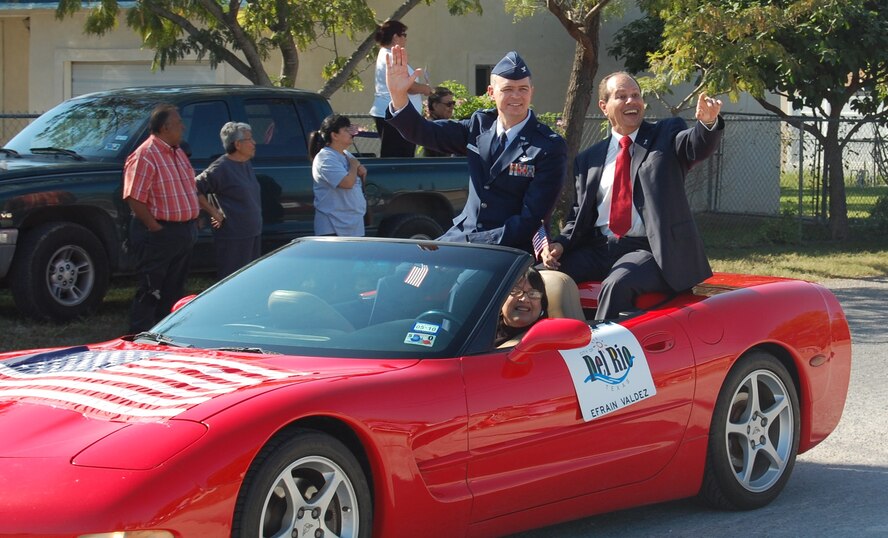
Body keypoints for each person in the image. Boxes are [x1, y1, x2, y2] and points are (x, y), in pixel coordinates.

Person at [542, 71, 724, 320]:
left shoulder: (666, 134)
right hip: (599, 248)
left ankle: (599, 352)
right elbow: (577, 216)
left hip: (650, 250)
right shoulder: (589, 159)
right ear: (604, 106)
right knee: (540, 276)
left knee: (616, 284)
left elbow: (696, 145)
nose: (632, 101)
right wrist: (559, 245)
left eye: (636, 95)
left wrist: (707, 124)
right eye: (622, 96)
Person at [385, 46, 567, 253]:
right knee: (407, 278)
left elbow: (531, 219)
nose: (516, 96)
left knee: (459, 286)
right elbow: (426, 133)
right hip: (462, 237)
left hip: (508, 249)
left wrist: (474, 243)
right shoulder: (479, 126)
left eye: (523, 89)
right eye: (507, 89)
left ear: (531, 92)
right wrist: (398, 95)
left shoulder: (548, 146)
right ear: (491, 93)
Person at [123, 104, 199, 333]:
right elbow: (133, 197)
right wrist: (155, 228)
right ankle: (141, 335)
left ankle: (165, 334)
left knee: (173, 290)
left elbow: (188, 187)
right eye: (178, 123)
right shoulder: (145, 155)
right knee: (151, 290)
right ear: (165, 127)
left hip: (183, 233)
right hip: (160, 233)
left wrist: (193, 216)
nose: (183, 127)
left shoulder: (177, 152)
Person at [195, 122, 263, 280]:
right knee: (234, 280)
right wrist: (214, 212)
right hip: (234, 237)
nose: (254, 143)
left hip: (252, 233)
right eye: (249, 139)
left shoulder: (245, 163)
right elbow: (194, 188)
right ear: (237, 144)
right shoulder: (221, 167)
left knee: (250, 279)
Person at [369, 20, 432, 158]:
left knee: (401, 155)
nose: (406, 38)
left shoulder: (387, 54)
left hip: (397, 114)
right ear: (395, 37)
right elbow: (407, 86)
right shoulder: (391, 56)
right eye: (404, 34)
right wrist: (426, 89)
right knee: (397, 157)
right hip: (395, 115)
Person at [308, 114, 368, 237]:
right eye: (346, 130)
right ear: (334, 135)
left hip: (353, 224)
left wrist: (360, 171)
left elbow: (357, 178)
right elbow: (347, 183)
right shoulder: (325, 158)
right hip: (333, 226)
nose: (351, 133)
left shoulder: (346, 154)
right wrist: (353, 166)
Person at [495, 266, 548, 346]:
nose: (524, 299)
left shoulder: (546, 341)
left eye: (533, 293)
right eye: (515, 291)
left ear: (542, 304)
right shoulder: (479, 329)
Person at [424, 86, 456, 157]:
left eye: (453, 103)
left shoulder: (447, 124)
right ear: (435, 106)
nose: (452, 107)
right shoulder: (431, 127)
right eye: (448, 104)